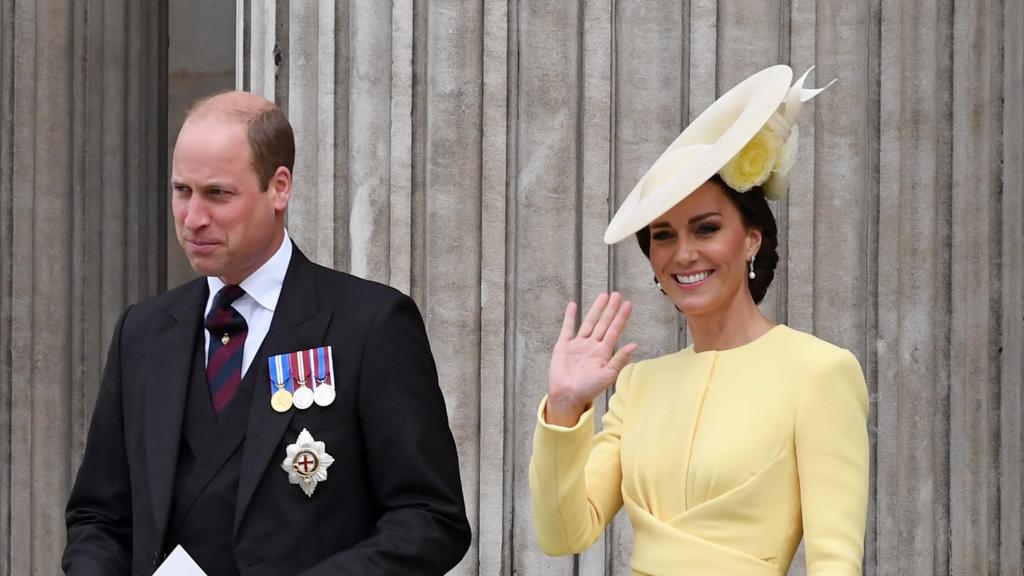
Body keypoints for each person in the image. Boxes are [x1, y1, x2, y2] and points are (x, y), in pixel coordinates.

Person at [63, 92, 471, 575]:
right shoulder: (144, 332)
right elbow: (99, 518)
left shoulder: (371, 325)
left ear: (279, 188)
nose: (193, 218)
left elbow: (430, 518)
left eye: (218, 193)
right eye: (181, 191)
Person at [529, 65, 869, 575]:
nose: (683, 254)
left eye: (705, 228)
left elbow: (835, 561)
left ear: (751, 237)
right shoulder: (641, 384)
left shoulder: (819, 371)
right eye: (663, 235)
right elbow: (563, 534)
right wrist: (563, 407)